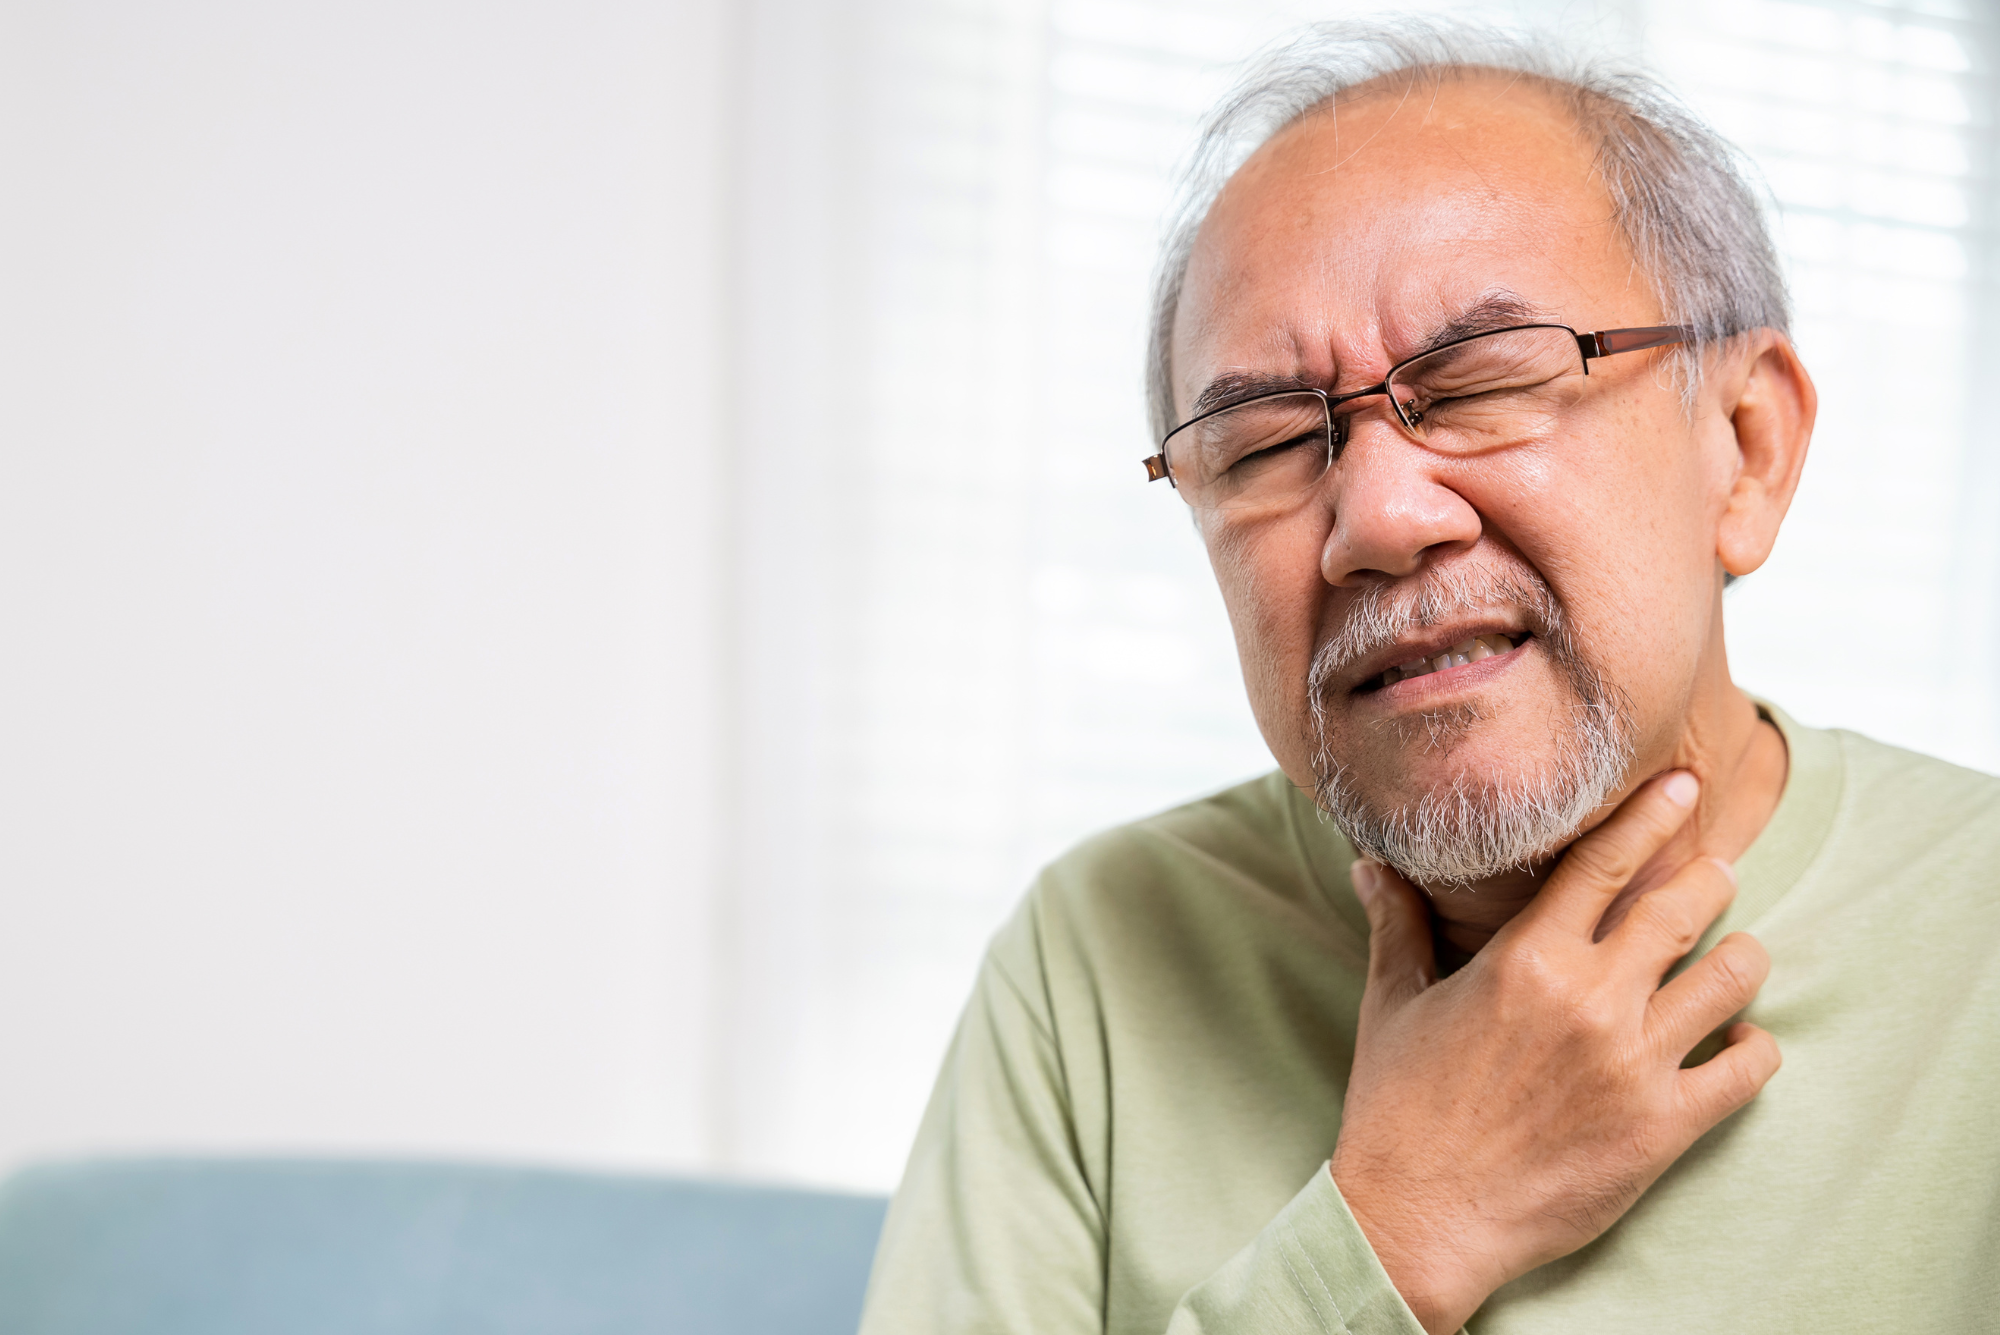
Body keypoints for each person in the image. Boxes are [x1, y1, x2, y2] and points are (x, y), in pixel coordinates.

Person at [857, 20, 2000, 1335]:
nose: (1379, 516)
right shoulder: (1103, 951)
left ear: (1744, 449)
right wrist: (1396, 1232)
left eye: (1474, 381)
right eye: (1268, 439)